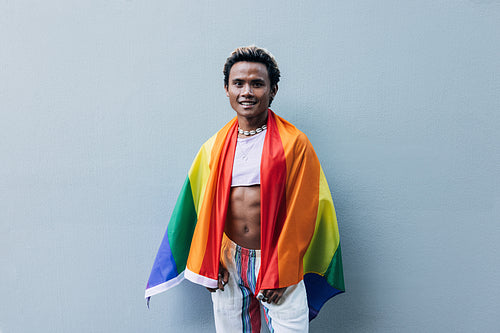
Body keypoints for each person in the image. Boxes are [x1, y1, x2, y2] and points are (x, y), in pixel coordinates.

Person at [145, 46, 344, 333]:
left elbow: (305, 211)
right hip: (229, 262)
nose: (246, 91)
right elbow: (202, 207)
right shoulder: (214, 146)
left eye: (257, 84)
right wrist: (213, 255)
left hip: (277, 259)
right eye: (238, 83)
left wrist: (283, 271)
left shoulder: (294, 144)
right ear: (226, 89)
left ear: (272, 90)